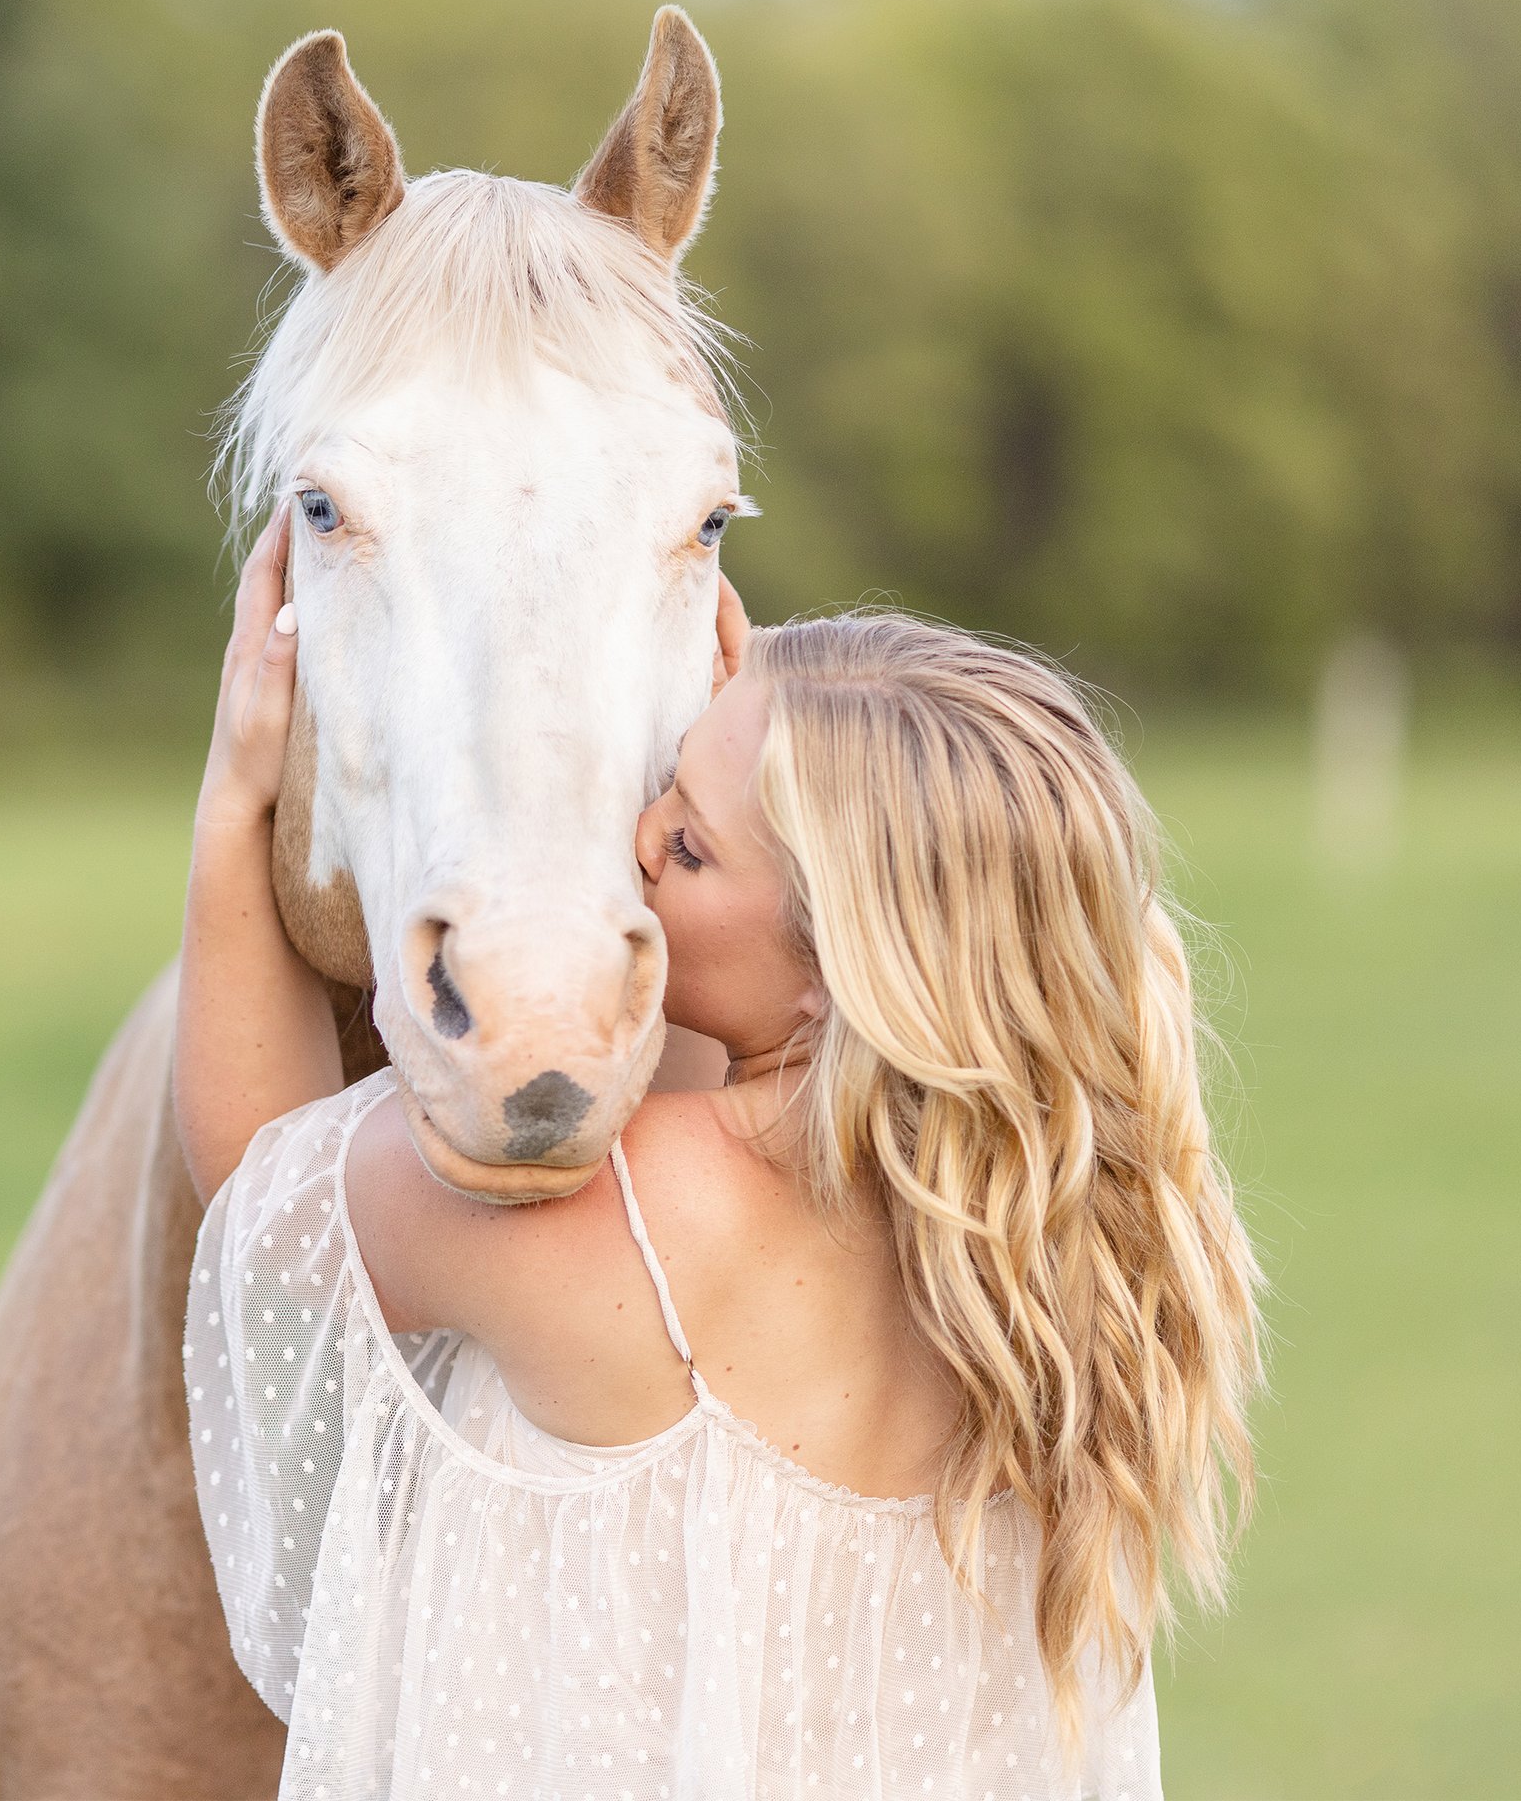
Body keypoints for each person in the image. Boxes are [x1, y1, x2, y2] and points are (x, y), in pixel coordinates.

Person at [173, 520, 1263, 1799]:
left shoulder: (629, 1215)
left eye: (687, 846)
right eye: (662, 788)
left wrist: (236, 797)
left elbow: (265, 1183)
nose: (633, 846)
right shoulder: (1071, 1266)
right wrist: (738, 727)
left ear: (837, 979)